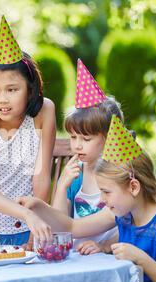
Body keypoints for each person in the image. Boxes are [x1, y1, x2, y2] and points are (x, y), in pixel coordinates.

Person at [17, 115, 156, 282]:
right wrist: (38, 206)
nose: (102, 199)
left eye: (106, 192)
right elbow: (71, 227)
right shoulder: (123, 215)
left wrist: (141, 259)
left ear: (133, 187)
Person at [0, 15, 56, 247]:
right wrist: (26, 214)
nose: (2, 99)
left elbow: (41, 175)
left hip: (29, 228)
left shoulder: (44, 112)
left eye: (12, 89)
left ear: (31, 88)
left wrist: (35, 230)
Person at [52, 59, 124, 253]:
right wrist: (62, 187)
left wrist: (103, 247)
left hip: (111, 257)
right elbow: (59, 228)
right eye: (73, 137)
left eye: (86, 138)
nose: (77, 145)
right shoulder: (76, 174)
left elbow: (130, 223)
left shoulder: (119, 176)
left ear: (109, 137)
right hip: (77, 256)